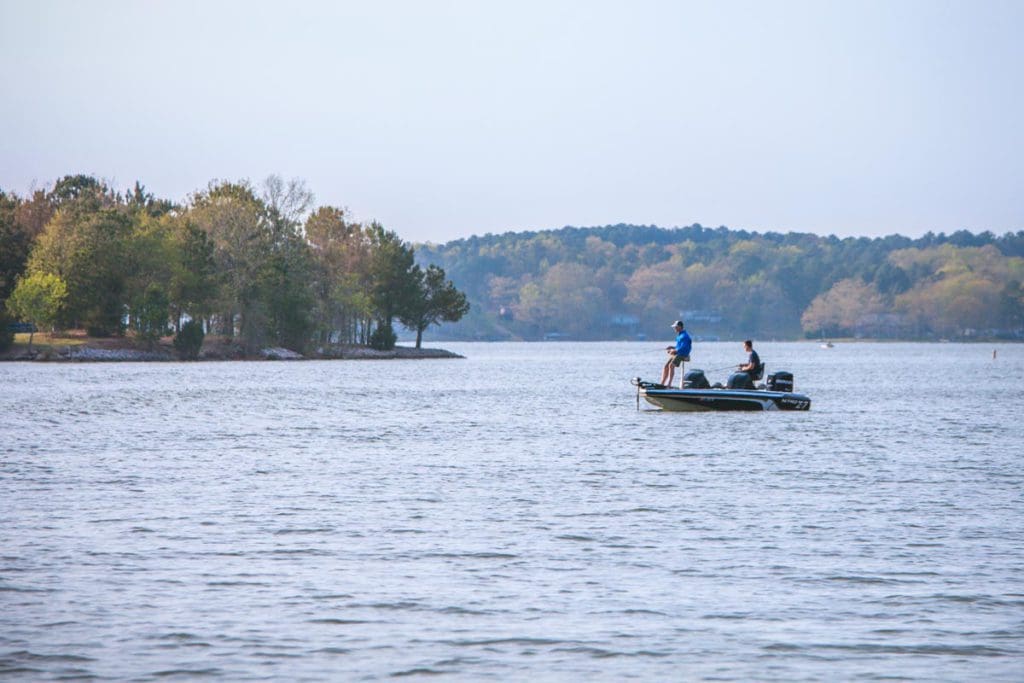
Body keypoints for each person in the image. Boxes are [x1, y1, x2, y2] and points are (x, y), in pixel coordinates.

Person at [660, 320, 692, 388]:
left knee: (671, 365)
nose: (674, 328)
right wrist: (672, 347)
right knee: (666, 366)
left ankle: (669, 384)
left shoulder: (684, 336)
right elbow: (679, 346)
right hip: (678, 353)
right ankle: (662, 384)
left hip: (683, 354)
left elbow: (684, 347)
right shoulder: (679, 335)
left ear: (680, 327)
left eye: (676, 327)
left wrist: (674, 350)